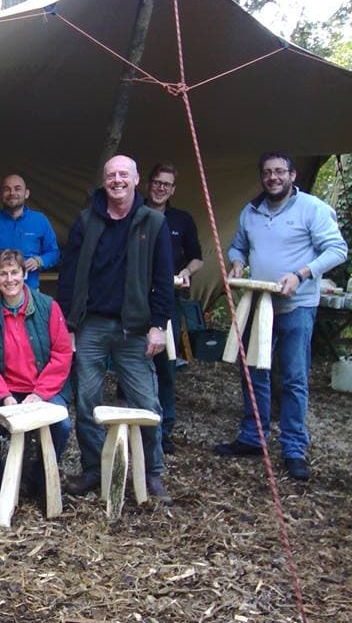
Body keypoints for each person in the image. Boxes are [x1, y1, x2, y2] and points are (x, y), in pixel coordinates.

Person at [214, 151, 347, 481]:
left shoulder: (312, 209)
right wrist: (235, 262)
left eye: (279, 172)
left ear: (292, 175)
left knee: (293, 378)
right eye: (267, 173)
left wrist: (300, 275)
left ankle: (293, 449)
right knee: (253, 373)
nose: (273, 177)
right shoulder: (252, 211)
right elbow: (238, 246)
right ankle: (253, 438)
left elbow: (337, 250)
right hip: (259, 305)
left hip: (297, 306)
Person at [57, 155, 175, 503]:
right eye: (111, 175)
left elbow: (163, 280)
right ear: (104, 181)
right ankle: (95, 468)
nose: (117, 180)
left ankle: (150, 472)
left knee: (146, 402)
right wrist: (68, 322)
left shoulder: (153, 222)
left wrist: (158, 326)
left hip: (135, 329)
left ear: (137, 179)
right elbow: (68, 275)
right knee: (88, 400)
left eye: (124, 174)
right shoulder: (85, 221)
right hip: (91, 324)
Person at [0, 249, 73, 506]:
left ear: (25, 274)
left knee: (63, 425)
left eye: (15, 272)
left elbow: (62, 354)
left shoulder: (49, 307)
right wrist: (3, 396)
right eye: (3, 274)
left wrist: (39, 394)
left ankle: (39, 475)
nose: (9, 279)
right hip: (4, 388)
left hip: (43, 388)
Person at [146, 162, 203, 453]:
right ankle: (134, 424)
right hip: (134, 303)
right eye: (157, 182)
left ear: (173, 189)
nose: (160, 188)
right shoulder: (133, 214)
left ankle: (163, 430)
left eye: (166, 184)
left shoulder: (182, 220)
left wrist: (186, 274)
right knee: (132, 363)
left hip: (169, 300)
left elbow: (197, 258)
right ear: (148, 184)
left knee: (165, 366)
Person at [0, 173, 61, 293]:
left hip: (29, 294)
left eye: (17, 188)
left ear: (26, 194)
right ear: (1, 195)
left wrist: (39, 261)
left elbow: (54, 253)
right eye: (6, 189)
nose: (12, 193)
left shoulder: (40, 220)